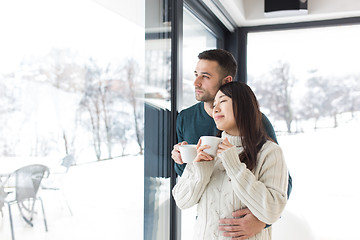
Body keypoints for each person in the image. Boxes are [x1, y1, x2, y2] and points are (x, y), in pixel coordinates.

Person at [171, 49, 292, 238]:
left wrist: (261, 222)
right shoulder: (185, 118)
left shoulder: (262, 133)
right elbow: (184, 194)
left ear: (227, 81)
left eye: (205, 76)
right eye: (196, 75)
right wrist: (184, 162)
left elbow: (281, 185)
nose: (196, 82)